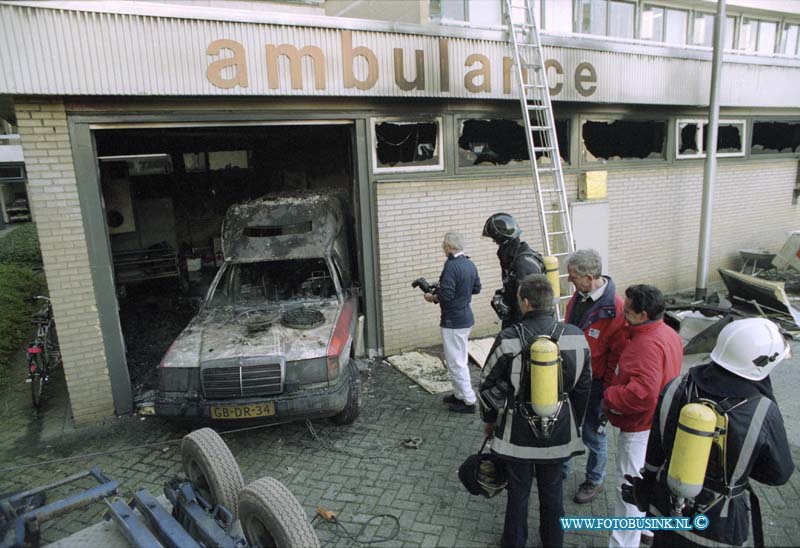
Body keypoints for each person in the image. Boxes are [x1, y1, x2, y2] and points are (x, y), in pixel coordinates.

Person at [624, 318, 794, 548]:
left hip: (665, 506)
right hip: (719, 524)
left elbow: (654, 452)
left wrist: (646, 488)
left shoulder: (676, 386)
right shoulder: (763, 411)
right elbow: (779, 474)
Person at [479, 274, 591, 548]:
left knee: (518, 494)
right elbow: (584, 386)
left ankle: (514, 541)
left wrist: (490, 421)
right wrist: (572, 421)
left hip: (517, 436)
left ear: (525, 303)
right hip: (559, 434)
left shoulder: (508, 338)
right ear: (550, 303)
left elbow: (485, 384)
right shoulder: (576, 337)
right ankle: (554, 541)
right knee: (553, 492)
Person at [603, 284, 683, 548]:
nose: (623, 314)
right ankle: (647, 528)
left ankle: (623, 543)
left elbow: (643, 394)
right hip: (660, 423)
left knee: (628, 489)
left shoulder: (644, 345)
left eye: (628, 311)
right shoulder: (668, 333)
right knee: (650, 480)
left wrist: (610, 395)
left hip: (640, 428)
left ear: (642, 315)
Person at [562, 249, 628, 504]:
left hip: (596, 385)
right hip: (573, 378)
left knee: (593, 433)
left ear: (589, 278)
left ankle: (595, 479)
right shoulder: (579, 297)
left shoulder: (615, 310)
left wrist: (607, 398)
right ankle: (563, 468)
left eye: (573, 276)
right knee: (567, 426)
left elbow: (616, 360)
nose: (570, 280)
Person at [423, 232, 482, 413]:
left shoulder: (451, 266)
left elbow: (446, 295)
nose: (442, 247)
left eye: (443, 244)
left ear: (449, 246)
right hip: (465, 318)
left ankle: (469, 400)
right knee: (459, 358)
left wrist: (432, 297)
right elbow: (477, 288)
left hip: (453, 321)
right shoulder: (470, 264)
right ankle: (459, 395)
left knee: (456, 362)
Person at [482, 213, 544, 329]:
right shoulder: (511, 259)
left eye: (495, 240)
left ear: (502, 239)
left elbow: (529, 304)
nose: (495, 243)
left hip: (524, 328)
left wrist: (517, 333)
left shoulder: (523, 264)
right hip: (514, 324)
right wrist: (504, 297)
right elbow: (514, 289)